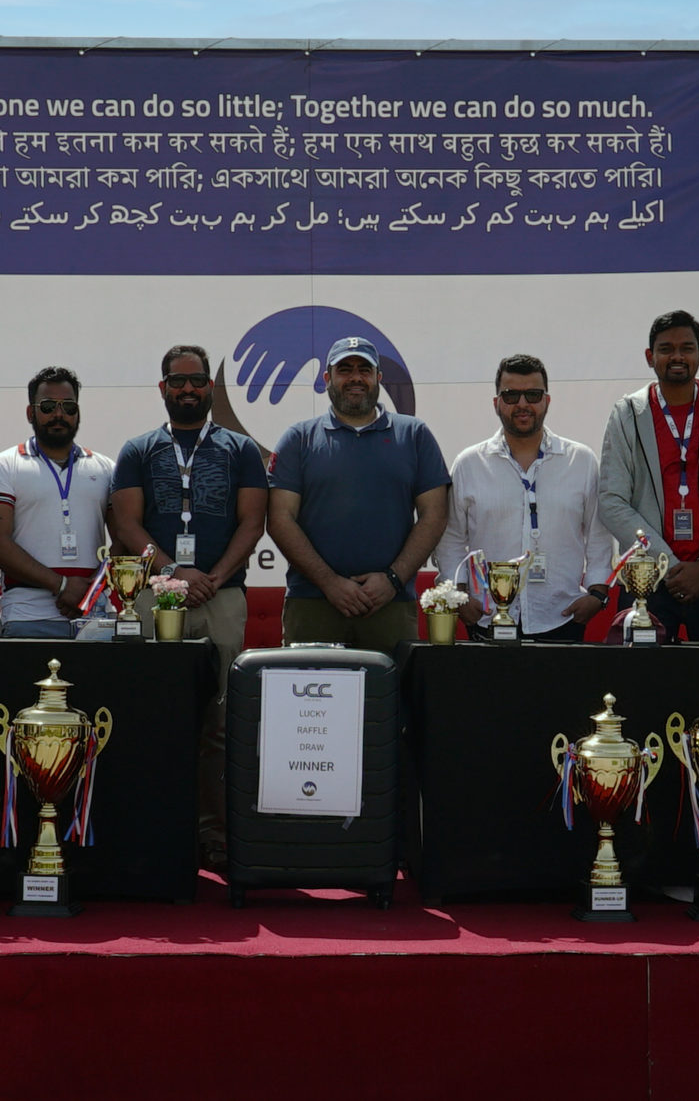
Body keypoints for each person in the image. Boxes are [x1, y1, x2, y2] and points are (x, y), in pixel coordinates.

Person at [110, 343, 269, 865]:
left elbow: (253, 522)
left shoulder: (240, 449)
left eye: (196, 380)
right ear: (163, 388)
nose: (187, 389)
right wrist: (175, 574)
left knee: (220, 720)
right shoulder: (138, 449)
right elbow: (126, 523)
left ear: (210, 386)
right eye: (177, 381)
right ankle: (158, 830)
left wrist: (213, 577)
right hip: (155, 596)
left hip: (223, 596)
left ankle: (214, 832)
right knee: (155, 713)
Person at [267, 336, 451, 651]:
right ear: (327, 379)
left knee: (395, 684)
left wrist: (392, 580)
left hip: (390, 604)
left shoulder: (414, 434)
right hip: (313, 603)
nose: (355, 378)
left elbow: (435, 515)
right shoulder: (298, 438)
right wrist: (329, 583)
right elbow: (280, 518)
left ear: (379, 377)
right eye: (345, 369)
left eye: (364, 370)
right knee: (307, 685)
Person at [598, 309, 699, 640]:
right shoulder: (627, 413)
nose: (677, 357)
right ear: (650, 357)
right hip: (647, 582)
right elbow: (611, 499)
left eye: (686, 348)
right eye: (666, 349)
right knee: (642, 673)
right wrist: (668, 564)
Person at [433, 353, 612, 642]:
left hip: (562, 615)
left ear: (547, 401)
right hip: (487, 616)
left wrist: (597, 594)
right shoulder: (469, 463)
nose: (522, 404)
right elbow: (451, 538)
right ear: (496, 403)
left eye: (533, 395)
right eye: (511, 395)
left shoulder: (580, 461)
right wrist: (459, 596)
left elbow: (599, 535)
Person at [0, 366, 117, 639]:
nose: (59, 414)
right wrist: (61, 585)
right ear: (31, 413)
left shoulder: (106, 468)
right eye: (48, 406)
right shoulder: (3, 466)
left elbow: (124, 536)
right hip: (27, 616)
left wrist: (92, 589)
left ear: (78, 413)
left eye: (68, 407)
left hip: (95, 616)